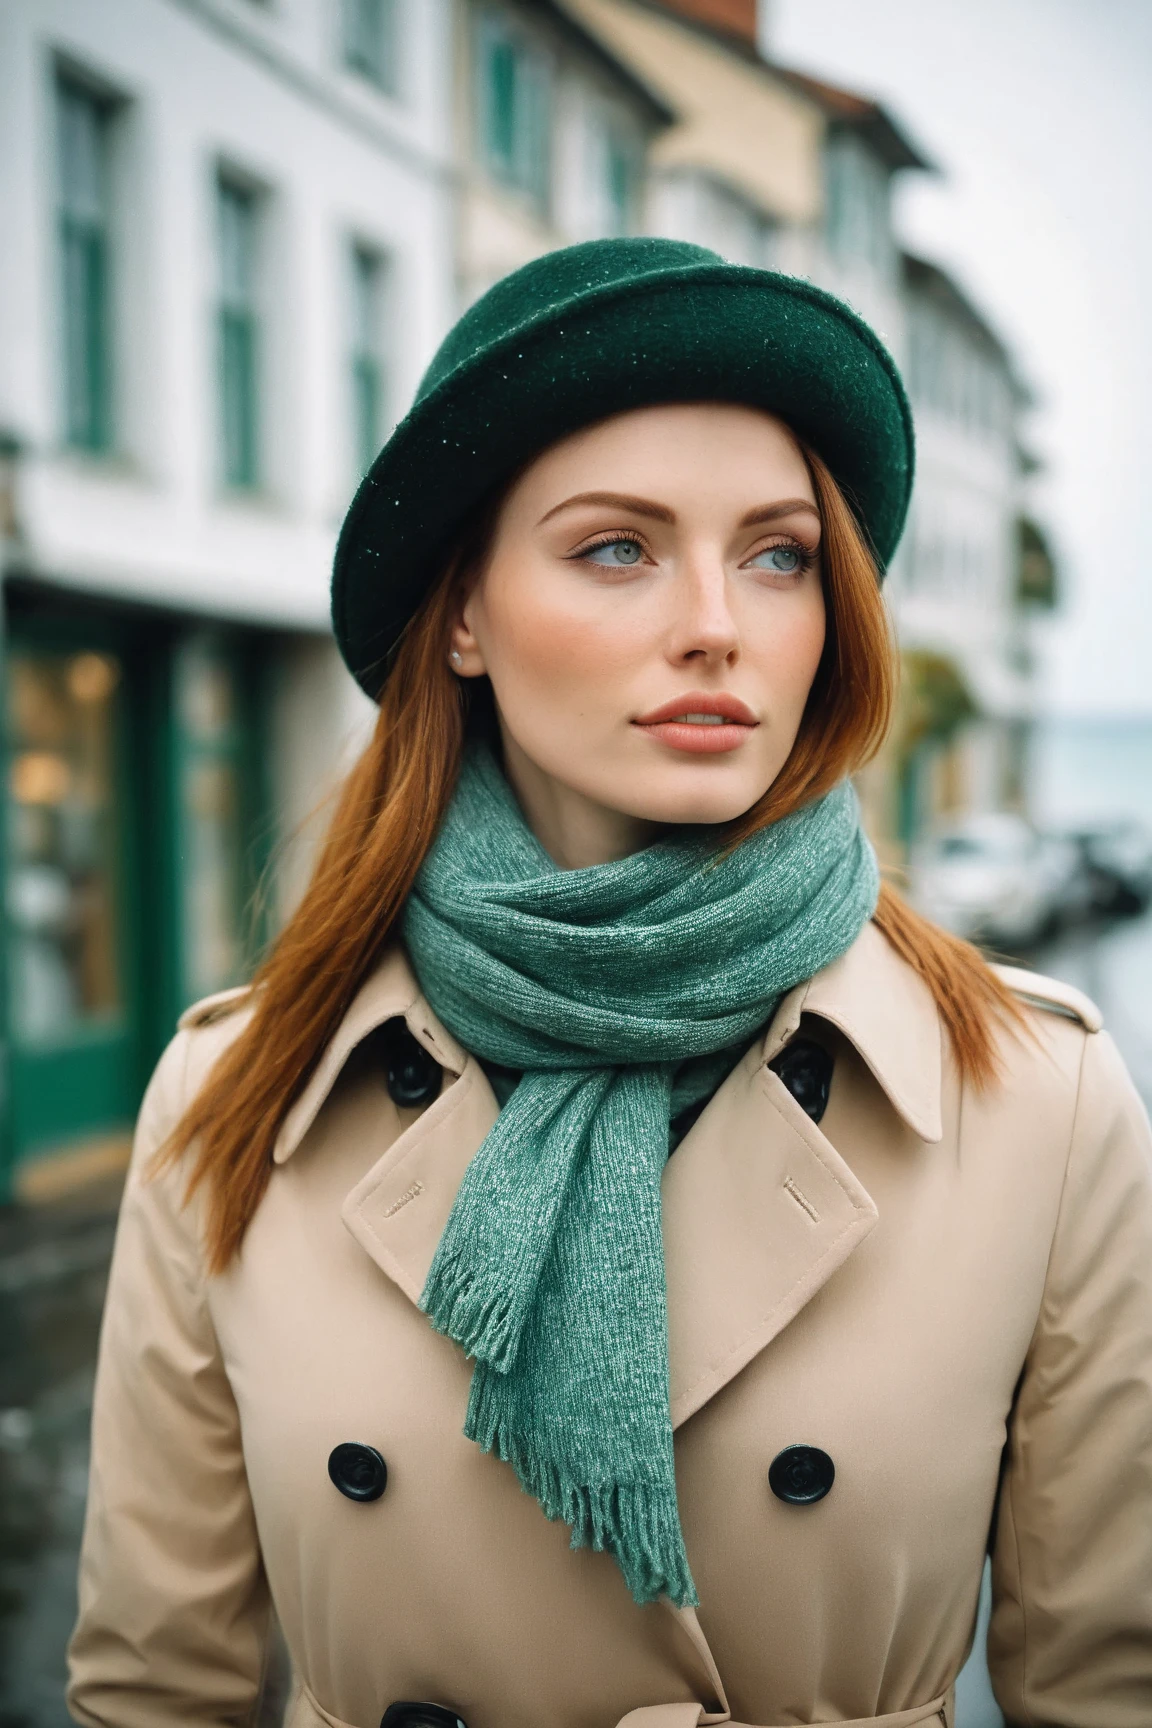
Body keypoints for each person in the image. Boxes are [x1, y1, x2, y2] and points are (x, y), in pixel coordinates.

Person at [67, 240, 1152, 1728]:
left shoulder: (1035, 1099)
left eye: (778, 554)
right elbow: (152, 1686)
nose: (717, 618)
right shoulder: (238, 1097)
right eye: (616, 548)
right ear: (461, 618)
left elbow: (1107, 1688)